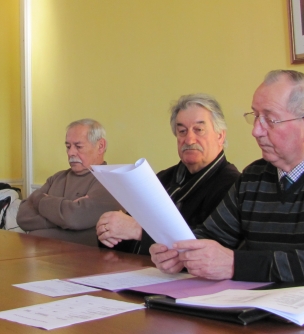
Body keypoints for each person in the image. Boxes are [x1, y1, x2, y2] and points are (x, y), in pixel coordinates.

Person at [151, 70, 304, 288]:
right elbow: (210, 236)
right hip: (286, 314)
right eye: (255, 116)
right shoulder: (253, 177)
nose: (256, 131)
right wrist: (178, 253)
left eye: (270, 120)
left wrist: (235, 264)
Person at [97, 94, 240, 254]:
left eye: (199, 130)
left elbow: (210, 247)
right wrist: (110, 231)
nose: (189, 139)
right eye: (182, 131)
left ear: (220, 135)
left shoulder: (232, 184)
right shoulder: (163, 178)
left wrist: (140, 232)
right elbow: (126, 229)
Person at [16, 119, 122, 246]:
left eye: (78, 146)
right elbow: (22, 217)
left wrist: (39, 200)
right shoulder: (57, 178)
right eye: (68, 146)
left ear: (100, 146)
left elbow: (75, 218)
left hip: (84, 262)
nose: (71, 152)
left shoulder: (111, 181)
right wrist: (64, 216)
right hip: (38, 258)